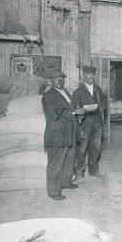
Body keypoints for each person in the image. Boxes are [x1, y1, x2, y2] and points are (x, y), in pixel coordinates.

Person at [42, 70, 85, 200]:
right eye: (56, 78)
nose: (60, 80)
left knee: (69, 159)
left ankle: (66, 182)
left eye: (62, 78)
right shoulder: (48, 96)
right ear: (51, 80)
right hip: (57, 134)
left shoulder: (65, 93)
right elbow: (55, 114)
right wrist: (74, 113)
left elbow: (71, 108)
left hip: (69, 132)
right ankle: (53, 191)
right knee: (56, 162)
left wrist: (79, 112)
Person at [72, 65, 105, 181]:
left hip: (97, 123)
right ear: (83, 75)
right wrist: (80, 110)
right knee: (81, 149)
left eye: (92, 74)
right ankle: (79, 172)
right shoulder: (78, 91)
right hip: (84, 123)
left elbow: (103, 105)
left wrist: (102, 117)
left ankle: (93, 171)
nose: (90, 76)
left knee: (96, 148)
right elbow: (74, 107)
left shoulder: (98, 89)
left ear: (94, 75)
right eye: (88, 74)